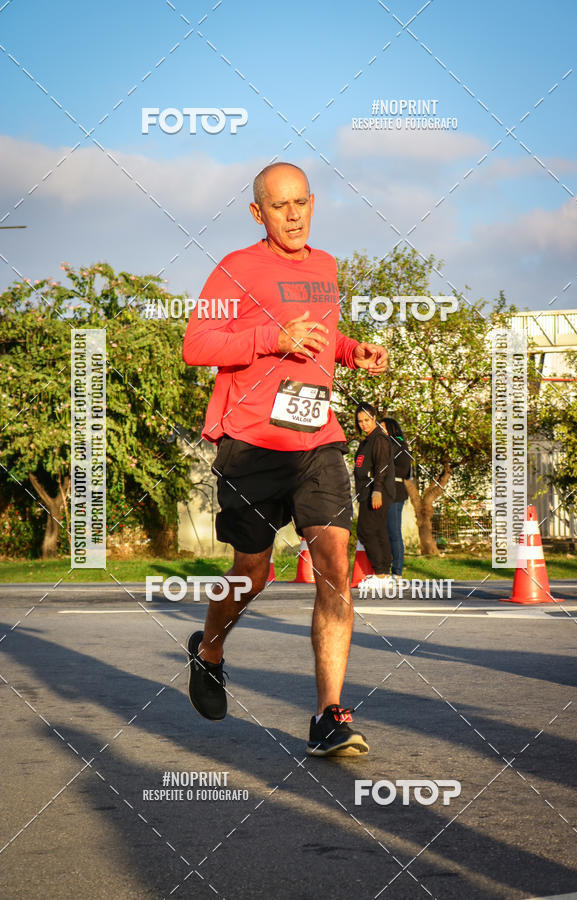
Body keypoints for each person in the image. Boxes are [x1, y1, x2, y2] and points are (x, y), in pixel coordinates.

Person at [182, 162, 388, 756]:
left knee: (334, 563)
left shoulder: (326, 268)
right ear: (258, 213)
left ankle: (329, 715)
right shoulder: (236, 269)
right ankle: (210, 649)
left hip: (316, 438)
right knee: (254, 571)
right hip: (250, 444)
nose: (292, 214)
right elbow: (198, 344)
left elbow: (324, 337)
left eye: (301, 203)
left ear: (313, 203)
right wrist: (272, 339)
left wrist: (353, 350)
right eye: (279, 205)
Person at [353, 404, 396, 586]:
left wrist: (377, 490)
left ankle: (381, 573)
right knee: (377, 530)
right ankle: (384, 574)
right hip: (367, 491)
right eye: (360, 421)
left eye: (366, 420)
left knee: (366, 530)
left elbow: (382, 466)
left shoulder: (379, 438)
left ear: (374, 417)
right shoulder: (368, 439)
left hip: (377, 491)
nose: (363, 424)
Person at [380, 417, 411, 578]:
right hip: (382, 492)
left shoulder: (400, 445)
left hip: (395, 492)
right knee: (383, 532)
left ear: (391, 429)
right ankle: (383, 570)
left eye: (383, 428)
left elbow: (404, 470)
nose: (380, 430)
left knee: (393, 532)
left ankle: (397, 572)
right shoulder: (381, 444)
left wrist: (384, 471)